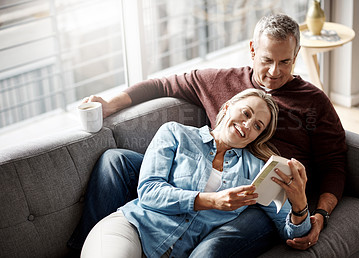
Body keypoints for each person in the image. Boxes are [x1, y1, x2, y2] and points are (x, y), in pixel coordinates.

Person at [68, 13, 347, 256]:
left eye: (285, 62)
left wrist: (318, 214)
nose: (275, 71)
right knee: (114, 161)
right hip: (206, 163)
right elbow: (162, 84)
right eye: (267, 60)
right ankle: (88, 245)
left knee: (210, 250)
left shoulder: (314, 102)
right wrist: (111, 104)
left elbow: (335, 164)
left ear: (296, 57)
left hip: (258, 191)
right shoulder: (218, 84)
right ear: (252, 50)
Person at [80, 89, 311, 258]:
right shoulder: (176, 133)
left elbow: (291, 234)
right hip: (133, 228)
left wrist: (300, 204)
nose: (248, 125)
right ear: (228, 106)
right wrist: (212, 201)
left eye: (258, 126)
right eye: (246, 113)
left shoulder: (256, 171)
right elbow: (149, 191)